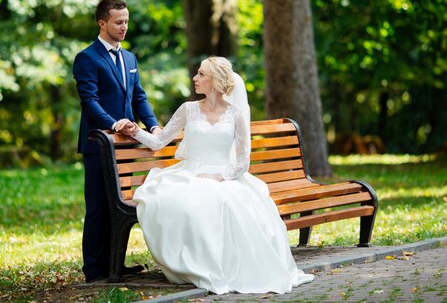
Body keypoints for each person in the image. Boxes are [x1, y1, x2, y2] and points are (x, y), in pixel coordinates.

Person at [121, 56, 315, 294]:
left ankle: (226, 268)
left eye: (201, 74)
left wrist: (219, 177)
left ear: (215, 81)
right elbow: (159, 141)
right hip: (188, 173)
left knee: (227, 201)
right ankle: (193, 266)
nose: (195, 78)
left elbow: (243, 160)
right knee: (185, 201)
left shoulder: (235, 115)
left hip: (224, 175)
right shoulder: (188, 109)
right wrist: (135, 131)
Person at [73, 0, 161, 283]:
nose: (124, 27)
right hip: (99, 144)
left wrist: (153, 125)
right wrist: (113, 124)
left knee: (120, 205)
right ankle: (94, 271)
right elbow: (90, 101)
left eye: (126, 21)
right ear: (102, 23)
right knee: (99, 205)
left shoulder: (130, 58)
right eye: (118, 22)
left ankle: (115, 266)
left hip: (126, 146)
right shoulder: (87, 58)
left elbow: (138, 97)